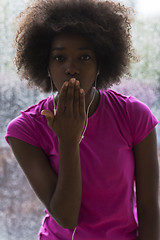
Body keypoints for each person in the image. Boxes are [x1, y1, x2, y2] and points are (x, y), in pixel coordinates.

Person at [5, 0, 160, 239]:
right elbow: (66, 218)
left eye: (85, 57)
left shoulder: (134, 116)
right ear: (45, 65)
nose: (71, 68)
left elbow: (150, 210)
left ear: (101, 64)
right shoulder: (26, 130)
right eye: (59, 58)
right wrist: (68, 141)